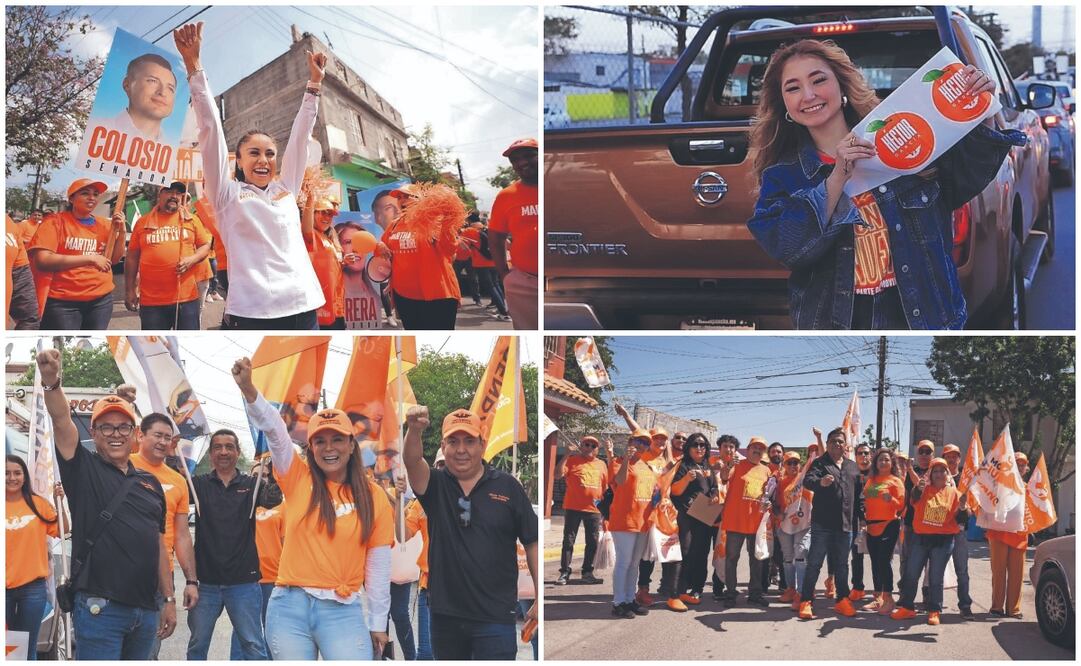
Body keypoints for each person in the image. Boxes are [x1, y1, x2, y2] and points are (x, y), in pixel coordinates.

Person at [746, 39, 1024, 330]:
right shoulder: (783, 176)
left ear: (841, 87)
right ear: (785, 105)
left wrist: (981, 106)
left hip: (924, 314)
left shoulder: (903, 139)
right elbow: (789, 249)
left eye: (819, 80)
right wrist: (838, 175)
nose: (809, 94)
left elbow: (967, 176)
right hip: (838, 324)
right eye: (793, 88)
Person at [237, 358, 393, 659]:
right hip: (288, 609)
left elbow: (378, 565)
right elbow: (275, 430)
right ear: (310, 449)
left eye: (337, 439)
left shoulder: (373, 496)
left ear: (351, 445)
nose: (329, 448)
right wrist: (249, 390)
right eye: (319, 441)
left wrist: (377, 623)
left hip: (342, 611)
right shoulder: (296, 477)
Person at [173, 22, 325, 329]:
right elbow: (211, 131)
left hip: (305, 306)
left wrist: (314, 86)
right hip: (254, 312)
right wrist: (195, 67)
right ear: (238, 162)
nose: (264, 160)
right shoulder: (227, 194)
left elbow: (300, 136)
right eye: (254, 153)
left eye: (270, 153)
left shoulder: (286, 189)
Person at [34, 349, 175, 659]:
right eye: (106, 427)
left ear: (135, 435)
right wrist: (51, 381)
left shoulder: (151, 484)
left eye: (123, 427)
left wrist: (168, 599)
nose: (116, 434)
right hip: (100, 610)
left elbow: (158, 543)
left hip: (146, 611)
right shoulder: (82, 469)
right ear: (93, 434)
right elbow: (61, 420)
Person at [401, 405, 538, 658]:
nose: (461, 450)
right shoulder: (435, 485)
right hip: (446, 616)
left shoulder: (508, 487)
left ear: (482, 444)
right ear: (443, 447)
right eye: (453, 441)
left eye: (469, 441)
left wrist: (540, 597)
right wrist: (414, 429)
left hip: (495, 616)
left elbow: (532, 541)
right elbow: (411, 461)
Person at [187, 429, 268, 660]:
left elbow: (275, 498)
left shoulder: (253, 485)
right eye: (218, 447)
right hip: (205, 583)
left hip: (244, 582)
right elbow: (171, 494)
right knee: (196, 646)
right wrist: (177, 456)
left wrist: (273, 463)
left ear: (238, 452)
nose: (223, 452)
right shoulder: (197, 485)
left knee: (253, 645)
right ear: (210, 454)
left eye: (229, 447)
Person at [130, 413, 199, 659]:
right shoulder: (121, 465)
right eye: (157, 435)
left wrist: (191, 581)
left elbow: (182, 536)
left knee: (148, 650)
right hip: (120, 571)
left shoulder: (179, 481)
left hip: (160, 576)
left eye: (168, 438)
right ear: (140, 434)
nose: (162, 442)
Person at [28, 179, 125, 330]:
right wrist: (90, 258)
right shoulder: (55, 222)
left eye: (95, 194)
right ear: (71, 199)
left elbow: (112, 260)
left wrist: (122, 231)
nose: (91, 197)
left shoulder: (105, 225)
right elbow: (42, 260)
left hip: (101, 301)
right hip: (63, 302)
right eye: (85, 193)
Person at [891, 458, 968, 625]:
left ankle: (934, 610)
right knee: (911, 573)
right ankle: (907, 607)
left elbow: (961, 520)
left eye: (943, 470)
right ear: (931, 474)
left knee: (935, 576)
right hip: (921, 538)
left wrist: (962, 508)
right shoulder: (923, 489)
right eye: (936, 471)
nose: (939, 474)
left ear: (948, 474)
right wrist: (918, 489)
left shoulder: (955, 494)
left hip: (943, 541)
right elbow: (914, 500)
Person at [125, 182, 211, 330]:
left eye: (178, 193)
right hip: (152, 302)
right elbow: (132, 258)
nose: (174, 196)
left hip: (186, 299)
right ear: (159, 194)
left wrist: (192, 259)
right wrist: (130, 290)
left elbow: (205, 246)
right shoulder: (142, 223)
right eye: (169, 191)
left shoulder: (191, 220)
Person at [797, 427, 863, 619]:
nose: (836, 444)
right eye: (833, 441)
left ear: (845, 445)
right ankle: (806, 600)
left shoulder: (852, 466)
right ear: (827, 444)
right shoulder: (820, 463)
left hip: (846, 525)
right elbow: (808, 481)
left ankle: (842, 600)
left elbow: (859, 495)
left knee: (842, 565)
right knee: (815, 563)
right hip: (822, 524)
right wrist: (820, 483)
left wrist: (862, 518)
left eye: (840, 441)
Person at [377, 185, 461, 329]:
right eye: (399, 197)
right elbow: (381, 250)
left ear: (420, 199)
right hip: (404, 295)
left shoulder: (434, 220)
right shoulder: (394, 224)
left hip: (436, 295)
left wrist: (448, 222)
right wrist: (379, 246)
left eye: (406, 196)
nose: (401, 200)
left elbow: (449, 250)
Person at [6, 456, 63, 660]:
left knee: (28, 647)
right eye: (6, 473)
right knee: (7, 647)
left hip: (33, 588)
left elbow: (62, 530)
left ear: (25, 476)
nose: (12, 477)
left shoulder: (39, 504)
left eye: (17, 473)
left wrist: (59, 502)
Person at [230, 459, 284, 659]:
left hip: (273, 578)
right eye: (255, 475)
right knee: (242, 629)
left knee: (271, 629)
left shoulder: (281, 507)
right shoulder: (242, 502)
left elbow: (286, 544)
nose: (261, 477)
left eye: (265, 474)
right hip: (245, 577)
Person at [605, 429, 656, 619]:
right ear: (630, 441)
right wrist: (626, 459)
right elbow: (620, 481)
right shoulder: (617, 462)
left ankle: (629, 599)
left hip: (643, 522)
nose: (642, 446)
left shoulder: (647, 467)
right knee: (624, 562)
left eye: (645, 443)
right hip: (624, 521)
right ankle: (618, 602)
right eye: (638, 441)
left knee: (635, 564)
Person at [489, 138, 538, 330]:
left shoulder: (561, 186)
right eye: (515, 160)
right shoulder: (506, 196)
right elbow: (495, 236)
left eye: (528, 156)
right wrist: (504, 275)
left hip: (567, 281)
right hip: (524, 282)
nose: (522, 162)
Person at [668, 433, 719, 609]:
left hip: (704, 514)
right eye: (696, 444)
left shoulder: (707, 466)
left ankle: (696, 589)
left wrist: (713, 496)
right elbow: (674, 491)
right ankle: (676, 593)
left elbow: (714, 487)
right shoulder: (683, 465)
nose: (699, 448)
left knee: (701, 553)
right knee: (684, 551)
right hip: (686, 515)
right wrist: (686, 478)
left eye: (703, 445)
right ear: (688, 447)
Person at [555, 436, 608, 586]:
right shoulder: (572, 461)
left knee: (592, 542)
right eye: (586, 444)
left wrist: (603, 509)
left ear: (597, 449)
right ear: (581, 446)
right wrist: (566, 454)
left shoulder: (602, 464)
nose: (590, 447)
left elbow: (604, 487)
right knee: (568, 541)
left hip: (594, 509)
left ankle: (587, 572)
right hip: (573, 507)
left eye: (593, 445)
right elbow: (557, 475)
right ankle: (565, 572)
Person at [985, 451, 1030, 619]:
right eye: (1016, 463)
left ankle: (1014, 609)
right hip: (998, 534)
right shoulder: (998, 485)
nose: (1019, 467)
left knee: (1017, 574)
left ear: (1027, 467)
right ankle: (996, 607)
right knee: (998, 572)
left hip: (1019, 536)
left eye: (1022, 464)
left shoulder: (1029, 488)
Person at [94, 53, 178, 143]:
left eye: (170, 88)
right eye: (153, 81)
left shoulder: (173, 149)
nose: (162, 92)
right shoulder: (95, 129)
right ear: (127, 84)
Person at [863, 447, 905, 615]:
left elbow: (902, 505)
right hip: (871, 525)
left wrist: (892, 499)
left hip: (889, 524)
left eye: (887, 459)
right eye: (880, 460)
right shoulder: (871, 480)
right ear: (876, 463)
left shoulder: (896, 480)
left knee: (883, 561)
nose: (883, 462)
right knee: (874, 562)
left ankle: (889, 598)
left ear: (892, 462)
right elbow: (864, 499)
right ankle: (877, 597)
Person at [774, 446, 814, 608]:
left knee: (801, 553)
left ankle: (802, 591)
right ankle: (790, 588)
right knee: (787, 559)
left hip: (804, 524)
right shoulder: (780, 483)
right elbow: (775, 504)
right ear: (784, 465)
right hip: (785, 526)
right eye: (789, 463)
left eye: (795, 462)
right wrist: (778, 513)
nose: (792, 466)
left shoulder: (806, 479)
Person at [301, 197, 346, 329]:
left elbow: (331, 265)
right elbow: (306, 228)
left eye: (330, 214)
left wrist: (343, 262)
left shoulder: (327, 237)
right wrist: (310, 197)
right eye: (323, 212)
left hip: (336, 302)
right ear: (313, 213)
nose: (327, 217)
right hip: (321, 304)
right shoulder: (311, 235)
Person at [942, 443, 974, 619]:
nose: (952, 458)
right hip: (941, 529)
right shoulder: (938, 476)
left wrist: (963, 506)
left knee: (962, 570)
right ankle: (933, 604)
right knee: (936, 568)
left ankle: (965, 605)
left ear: (959, 459)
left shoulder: (965, 479)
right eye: (948, 455)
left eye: (955, 456)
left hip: (960, 530)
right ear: (944, 458)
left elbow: (972, 508)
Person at [901, 440, 934, 604]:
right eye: (921, 451)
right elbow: (907, 495)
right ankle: (905, 595)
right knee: (907, 560)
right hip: (910, 523)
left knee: (929, 563)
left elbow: (924, 488)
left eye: (928, 452)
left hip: (930, 525)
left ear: (933, 455)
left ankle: (927, 596)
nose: (924, 455)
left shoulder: (938, 473)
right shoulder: (910, 472)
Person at [370, 190, 400, 326]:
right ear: (377, 217)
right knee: (384, 289)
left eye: (399, 206)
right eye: (389, 208)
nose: (398, 211)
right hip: (385, 270)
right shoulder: (377, 237)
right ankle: (389, 315)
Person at [847, 442, 873, 602]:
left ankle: (882, 591)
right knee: (857, 555)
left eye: (866, 453)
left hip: (878, 520)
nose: (863, 456)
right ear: (855, 457)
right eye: (860, 453)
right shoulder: (851, 474)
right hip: (857, 521)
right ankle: (857, 587)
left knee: (881, 558)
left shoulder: (878, 473)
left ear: (871, 455)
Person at [6, 213, 40, 329]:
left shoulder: (9, 225)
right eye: (35, 215)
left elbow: (29, 317)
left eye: (40, 215)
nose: (37, 217)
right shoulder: (22, 225)